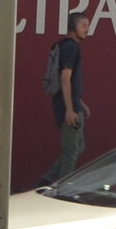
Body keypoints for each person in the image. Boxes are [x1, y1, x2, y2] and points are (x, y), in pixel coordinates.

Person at [40, 13, 93, 187]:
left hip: (72, 103)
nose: (87, 29)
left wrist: (80, 103)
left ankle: (46, 180)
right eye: (83, 26)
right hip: (67, 107)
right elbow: (65, 78)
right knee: (70, 153)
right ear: (73, 27)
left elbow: (69, 81)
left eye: (88, 25)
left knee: (78, 147)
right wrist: (70, 110)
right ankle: (61, 190)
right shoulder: (71, 47)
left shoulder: (65, 46)